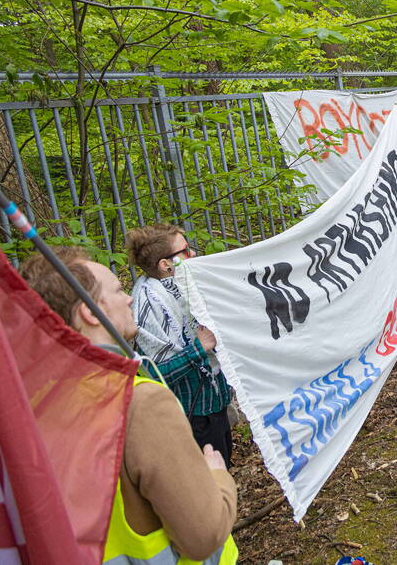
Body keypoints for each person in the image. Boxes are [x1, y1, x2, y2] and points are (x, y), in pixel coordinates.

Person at [19, 247, 238, 564]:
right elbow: (203, 536)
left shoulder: (35, 405)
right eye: (118, 290)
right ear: (91, 312)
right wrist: (217, 478)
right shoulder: (138, 404)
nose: (129, 299)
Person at [127, 224, 235, 468]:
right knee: (209, 483)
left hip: (215, 402)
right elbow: (153, 374)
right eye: (185, 251)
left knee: (224, 469)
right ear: (165, 264)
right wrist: (198, 349)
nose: (193, 254)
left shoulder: (185, 283)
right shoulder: (148, 305)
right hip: (192, 417)